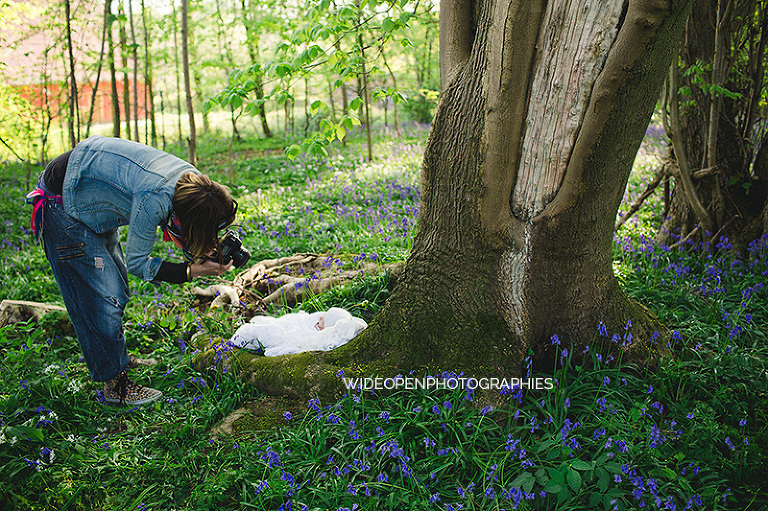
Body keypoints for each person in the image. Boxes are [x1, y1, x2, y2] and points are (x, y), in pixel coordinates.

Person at [27, 135, 236, 405]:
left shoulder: (193, 184)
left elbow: (183, 223)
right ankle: (114, 385)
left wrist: (204, 247)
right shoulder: (155, 197)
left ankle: (117, 359)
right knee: (101, 299)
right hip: (64, 204)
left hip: (93, 195)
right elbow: (139, 263)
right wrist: (193, 270)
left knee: (117, 289)